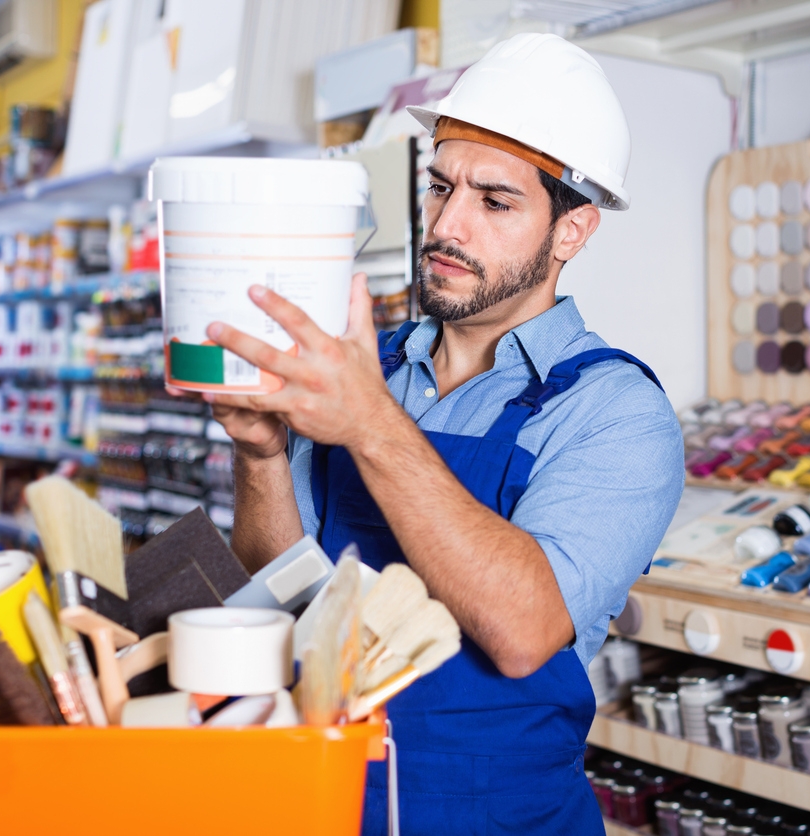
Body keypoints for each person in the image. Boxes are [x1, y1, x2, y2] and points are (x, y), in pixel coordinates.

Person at [201, 33, 683, 836]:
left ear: (572, 232)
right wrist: (258, 456)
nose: (447, 225)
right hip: (324, 799)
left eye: (495, 202)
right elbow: (284, 594)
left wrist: (370, 427)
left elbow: (525, 628)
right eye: (439, 186)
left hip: (499, 818)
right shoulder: (366, 369)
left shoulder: (613, 413)